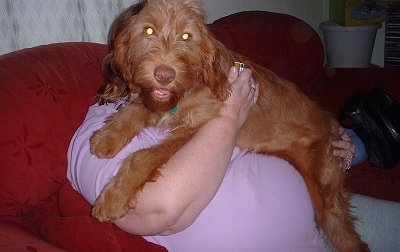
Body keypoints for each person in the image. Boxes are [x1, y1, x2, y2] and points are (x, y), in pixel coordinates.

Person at [68, 62, 398, 252]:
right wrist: (229, 116)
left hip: (321, 218)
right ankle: (369, 135)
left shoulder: (187, 97)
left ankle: (359, 138)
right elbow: (158, 207)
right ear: (122, 65)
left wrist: (331, 140)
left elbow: (266, 103)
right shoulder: (97, 130)